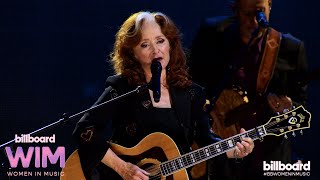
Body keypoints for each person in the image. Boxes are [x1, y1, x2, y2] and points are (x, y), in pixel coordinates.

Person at [72, 11, 255, 180]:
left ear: (170, 44)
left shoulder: (192, 93)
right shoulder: (122, 88)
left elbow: (207, 140)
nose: (155, 50)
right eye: (145, 44)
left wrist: (234, 150)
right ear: (133, 53)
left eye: (160, 41)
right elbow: (85, 129)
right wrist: (123, 168)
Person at [189, 0, 308, 178]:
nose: (254, 21)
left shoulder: (291, 49)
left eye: (260, 12)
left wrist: (288, 106)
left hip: (267, 155)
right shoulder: (212, 34)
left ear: (270, 6)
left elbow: (300, 105)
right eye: (247, 14)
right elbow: (190, 84)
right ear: (235, 10)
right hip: (220, 154)